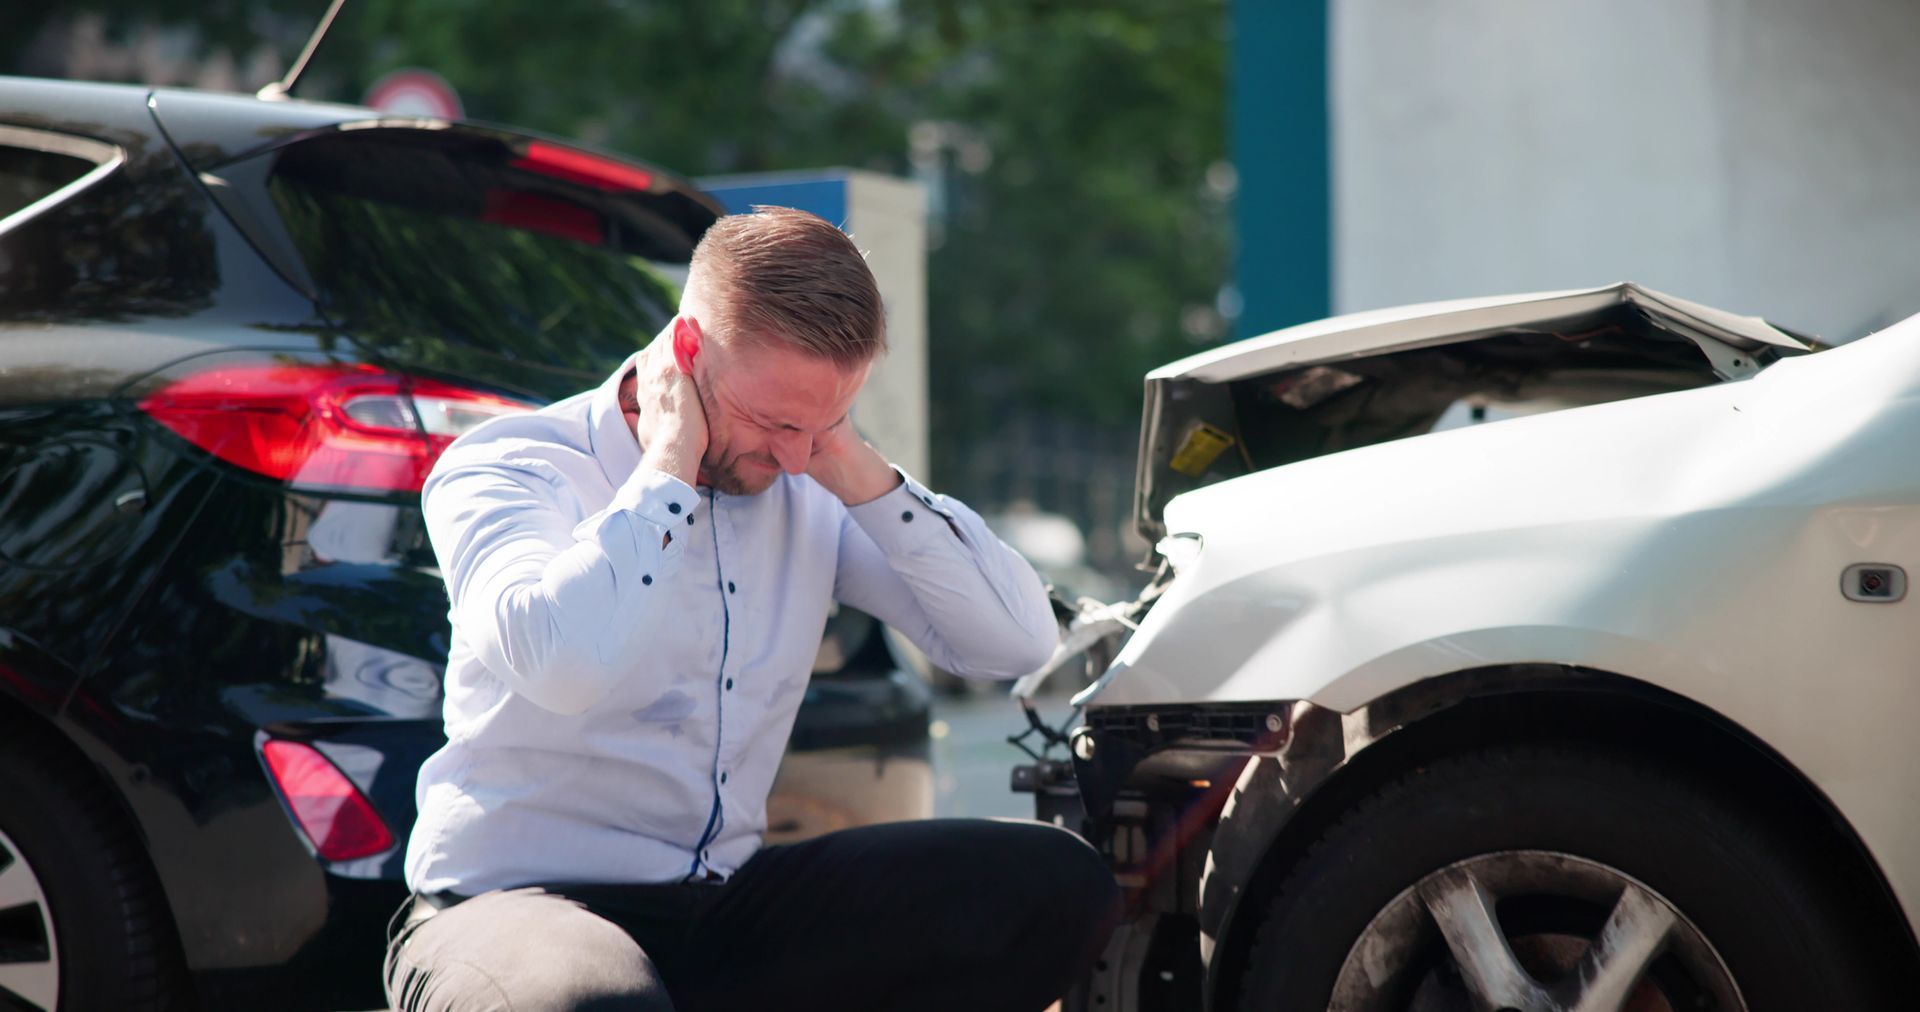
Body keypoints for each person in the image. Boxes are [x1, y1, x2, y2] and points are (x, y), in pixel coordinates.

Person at [383, 207, 1119, 1011]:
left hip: (722, 905)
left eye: (827, 419)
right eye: (776, 423)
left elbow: (1013, 643)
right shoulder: (509, 464)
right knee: (592, 1003)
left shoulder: (806, 474)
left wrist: (852, 459)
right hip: (514, 907)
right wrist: (668, 467)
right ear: (686, 351)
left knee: (1051, 883)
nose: (795, 456)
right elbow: (564, 666)